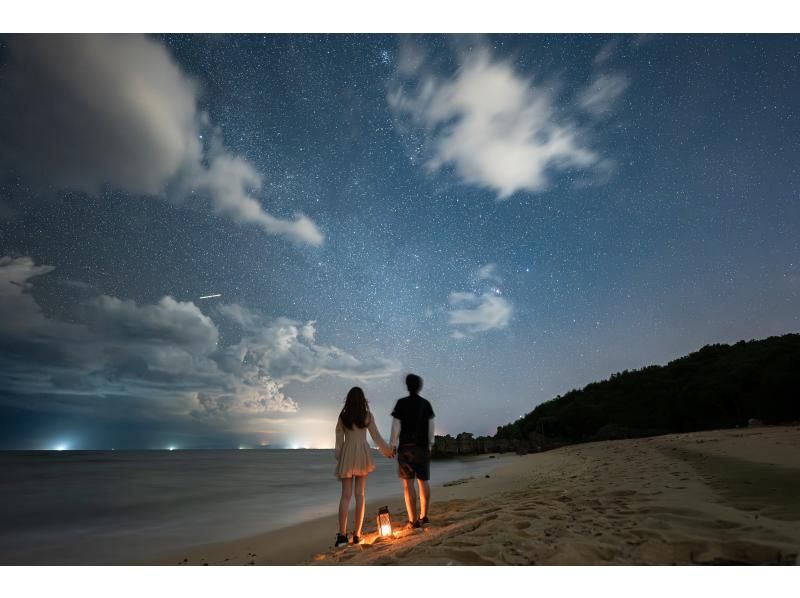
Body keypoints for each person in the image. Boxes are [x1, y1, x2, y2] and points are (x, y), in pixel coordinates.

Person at [334, 386, 393, 547]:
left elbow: (338, 443)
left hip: (347, 454)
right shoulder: (367, 416)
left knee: (345, 496)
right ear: (363, 400)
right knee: (360, 495)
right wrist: (387, 451)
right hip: (362, 454)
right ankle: (357, 535)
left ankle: (342, 536)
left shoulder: (343, 416)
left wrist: (340, 459)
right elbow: (377, 437)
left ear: (348, 400)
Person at [390, 373, 435, 529]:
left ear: (407, 386)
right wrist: (430, 445)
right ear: (419, 386)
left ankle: (413, 521)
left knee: (408, 485)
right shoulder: (426, 404)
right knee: (423, 482)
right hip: (422, 447)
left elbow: (396, 425)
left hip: (406, 448)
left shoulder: (401, 403)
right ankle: (424, 516)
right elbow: (431, 426)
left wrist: (392, 444)